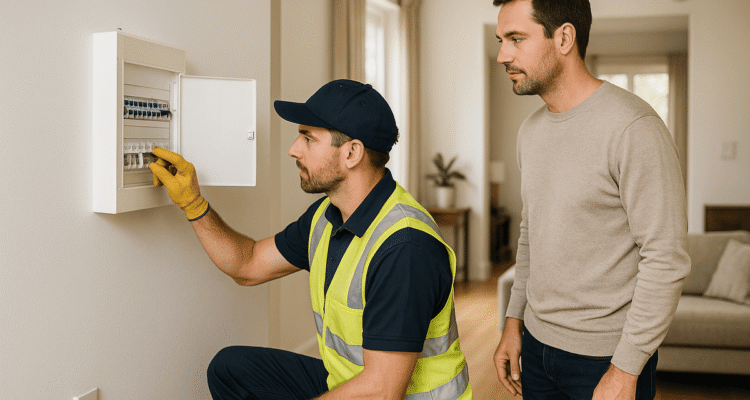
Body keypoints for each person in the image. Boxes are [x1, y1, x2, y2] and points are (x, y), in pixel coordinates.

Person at [149, 79, 473, 400]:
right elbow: (247, 264)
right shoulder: (326, 216)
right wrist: (193, 204)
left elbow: (383, 391)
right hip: (349, 383)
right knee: (232, 368)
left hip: (391, 395)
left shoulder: (405, 247)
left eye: (307, 138)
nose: (293, 149)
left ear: (351, 153)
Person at [491, 1, 691, 399]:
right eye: (501, 40)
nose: (502, 55)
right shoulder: (529, 132)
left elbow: (665, 257)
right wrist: (513, 320)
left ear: (564, 37)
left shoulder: (634, 127)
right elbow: (532, 232)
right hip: (535, 347)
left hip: (605, 360)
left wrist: (625, 368)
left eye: (516, 39)